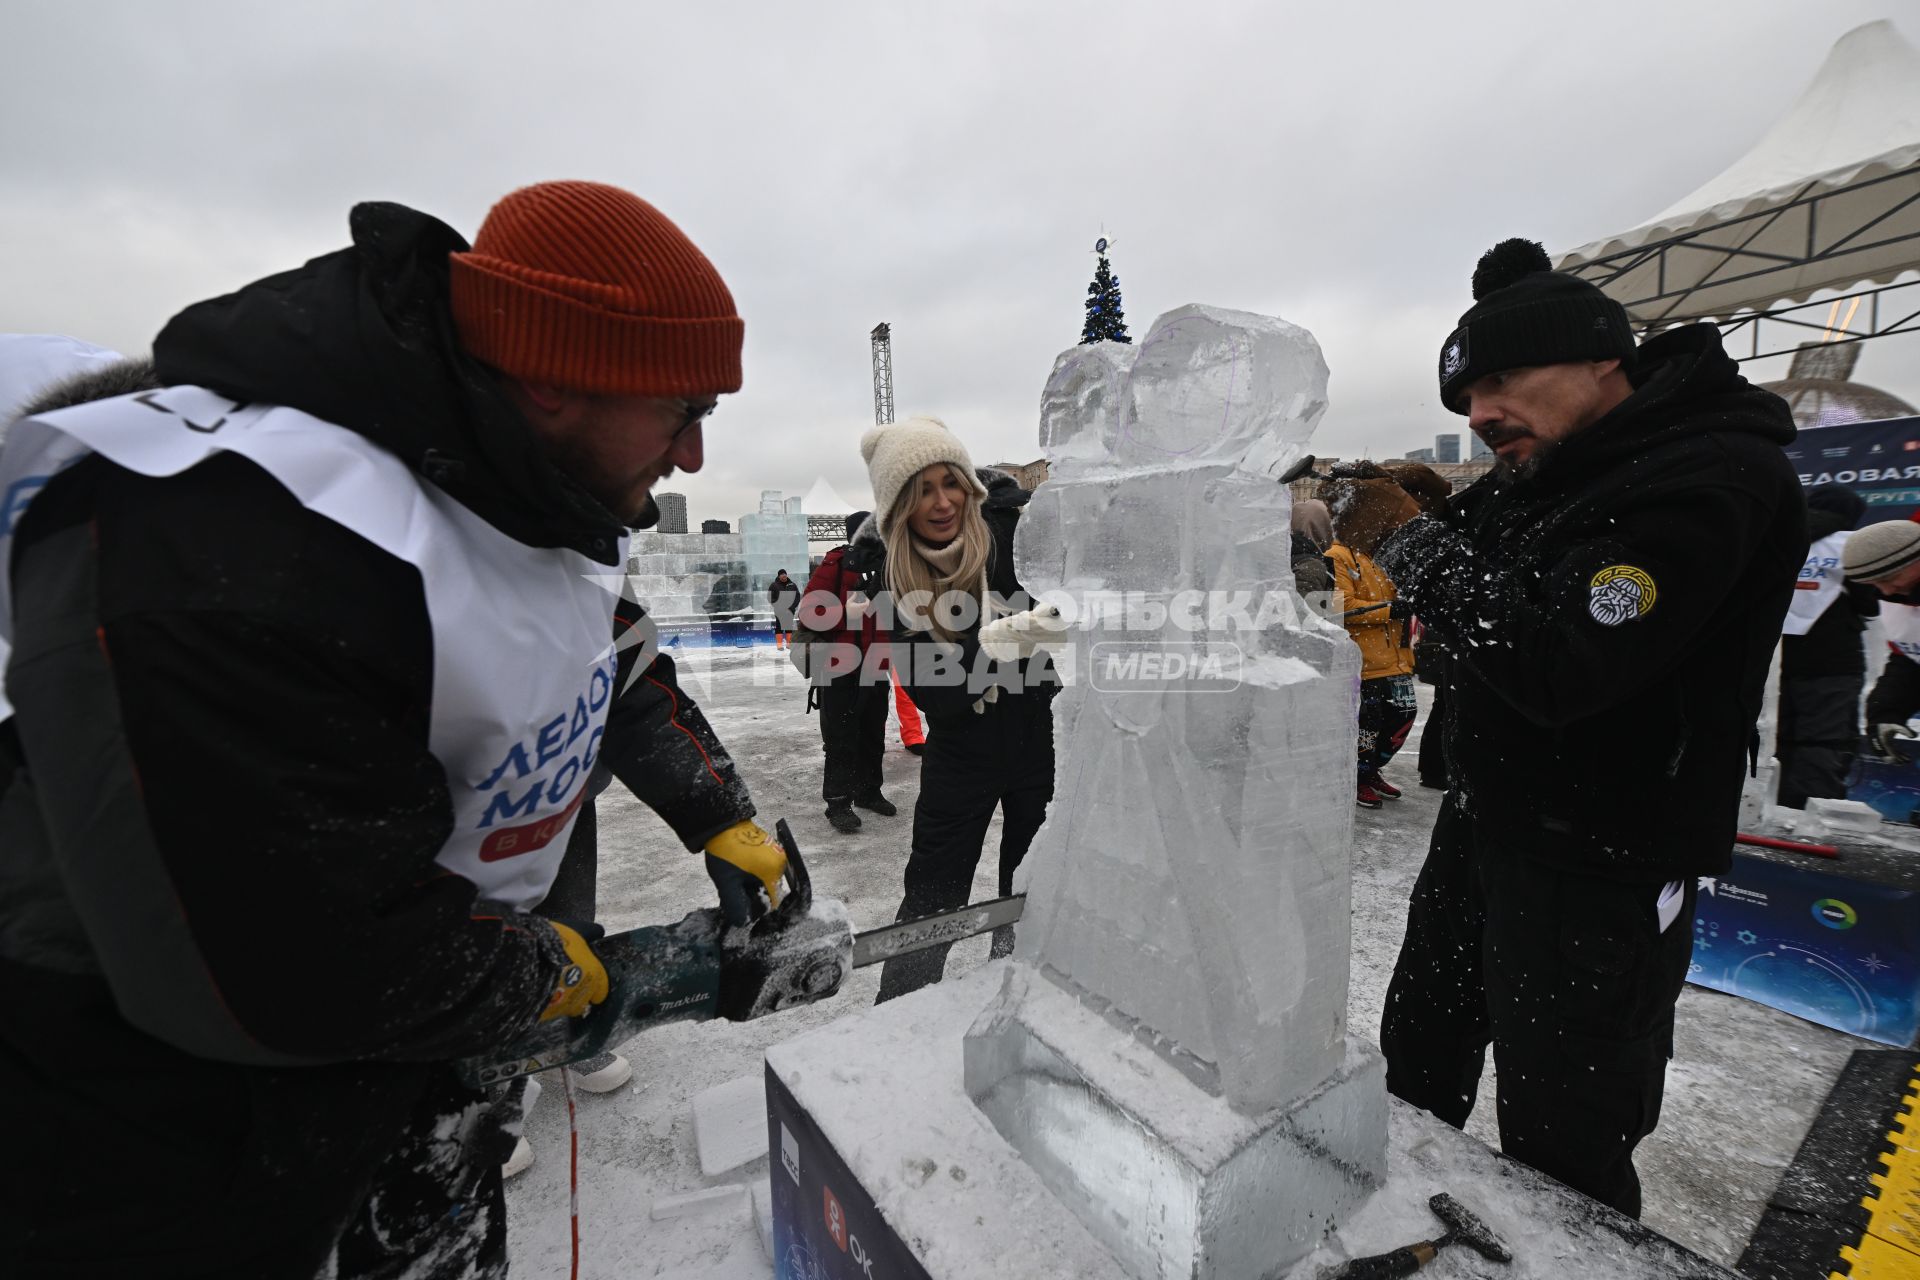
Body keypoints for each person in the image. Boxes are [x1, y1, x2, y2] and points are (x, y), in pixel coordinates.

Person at [0, 182, 787, 1279]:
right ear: (556, 374)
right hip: (170, 1138)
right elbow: (298, 957)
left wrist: (717, 812)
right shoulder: (239, 540)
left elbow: (609, 661)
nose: (697, 455)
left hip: (410, 1065)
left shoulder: (531, 488)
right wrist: (538, 976)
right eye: (683, 409)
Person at [1366, 237, 1802, 1218]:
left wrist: (1410, 541)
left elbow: (1559, 660)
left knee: (1565, 1141)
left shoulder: (1709, 474)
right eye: (1467, 400)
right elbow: (1461, 613)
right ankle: (1391, 1227)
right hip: (1485, 827)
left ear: (1601, 357)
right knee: (1415, 1068)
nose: (1480, 418)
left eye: (1501, 381)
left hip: (1603, 866)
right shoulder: (1552, 469)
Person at [854, 419, 1064, 1001]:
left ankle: (1019, 993)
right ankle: (898, 1014)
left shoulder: (1016, 539)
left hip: (1039, 743)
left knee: (1030, 890)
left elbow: (1074, 624)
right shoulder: (890, 576)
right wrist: (1018, 636)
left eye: (951, 482)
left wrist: (1024, 636)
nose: (942, 501)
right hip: (960, 755)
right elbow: (938, 693)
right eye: (922, 489)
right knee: (931, 896)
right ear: (899, 504)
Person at [1320, 461, 1419, 808]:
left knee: (1402, 718)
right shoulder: (1337, 555)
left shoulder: (1378, 555)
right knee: (1366, 727)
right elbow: (1339, 605)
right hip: (1365, 661)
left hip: (1397, 658)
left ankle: (1372, 769)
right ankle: (1357, 775)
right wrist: (1390, 611)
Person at [1776, 485, 1877, 807]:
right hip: (1834, 661)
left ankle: (1773, 810)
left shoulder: (1779, 539)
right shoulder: (1851, 546)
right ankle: (1810, 814)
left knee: (1779, 739)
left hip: (1777, 660)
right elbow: (1869, 605)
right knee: (1825, 739)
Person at [801, 510, 896, 833]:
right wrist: (845, 611)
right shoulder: (837, 563)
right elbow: (809, 613)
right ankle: (838, 802)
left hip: (876, 664)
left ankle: (868, 792)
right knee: (840, 738)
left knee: (873, 734)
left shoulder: (891, 565)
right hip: (839, 665)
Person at [1383, 461, 1457, 791]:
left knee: (1430, 709)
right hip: (1380, 655)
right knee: (1440, 709)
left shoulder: (1430, 533)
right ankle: (1433, 769)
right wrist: (1389, 609)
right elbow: (1331, 609)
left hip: (1397, 651)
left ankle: (1434, 769)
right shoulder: (1347, 553)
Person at [1842, 519, 1920, 759]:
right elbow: (1909, 661)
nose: (1886, 591)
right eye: (1875, 584)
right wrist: (1884, 713)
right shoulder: (1901, 599)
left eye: (1890, 578)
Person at [768, 568, 799, 651]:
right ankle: (779, 645)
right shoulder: (774, 585)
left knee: (789, 627)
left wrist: (793, 606)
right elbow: (770, 597)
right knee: (779, 627)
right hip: (779, 610)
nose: (784, 576)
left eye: (785, 574)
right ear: (779, 576)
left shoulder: (792, 585)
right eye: (782, 574)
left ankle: (789, 644)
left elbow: (797, 596)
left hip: (790, 610)